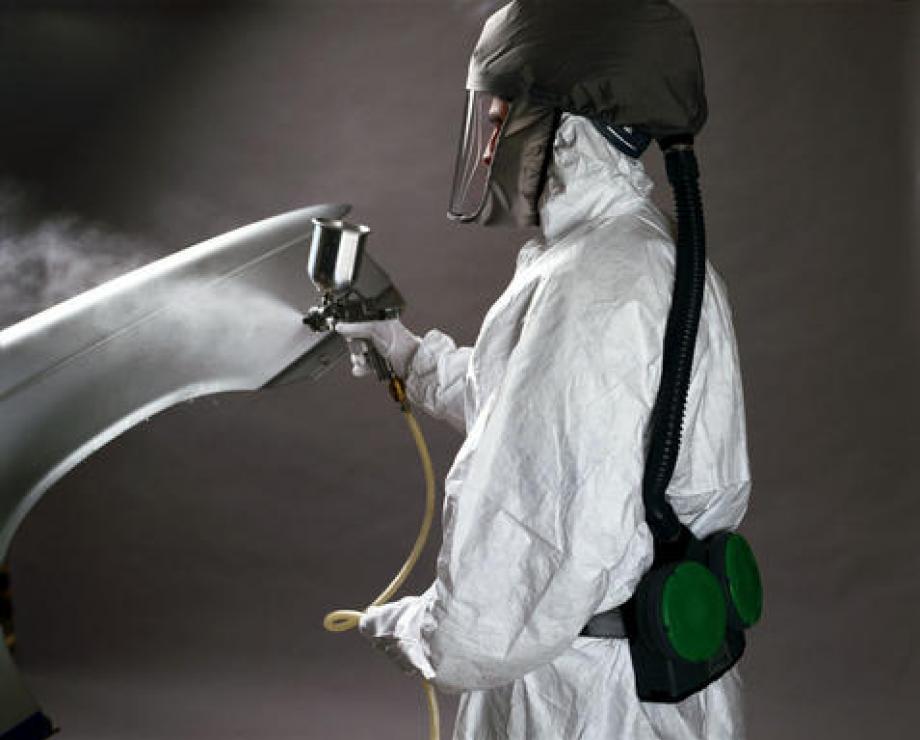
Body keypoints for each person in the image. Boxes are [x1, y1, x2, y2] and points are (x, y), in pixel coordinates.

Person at [336, 2, 752, 737]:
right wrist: (405, 353)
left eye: (500, 120)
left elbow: (525, 546)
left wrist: (414, 631)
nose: (487, 150)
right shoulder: (641, 255)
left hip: (584, 703)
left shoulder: (593, 285)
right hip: (653, 681)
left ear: (565, 129)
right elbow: (538, 419)